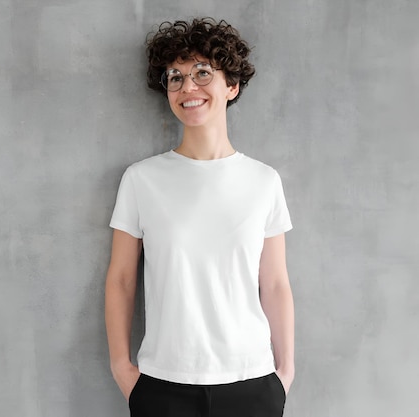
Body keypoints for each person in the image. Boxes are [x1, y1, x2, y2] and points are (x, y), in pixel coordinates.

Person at [105, 18, 295, 417]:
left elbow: (275, 283)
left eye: (203, 73)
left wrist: (285, 372)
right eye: (175, 77)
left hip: (253, 384)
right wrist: (123, 369)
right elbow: (121, 279)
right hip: (163, 387)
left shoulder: (263, 181)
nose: (187, 87)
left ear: (232, 85)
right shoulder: (142, 179)